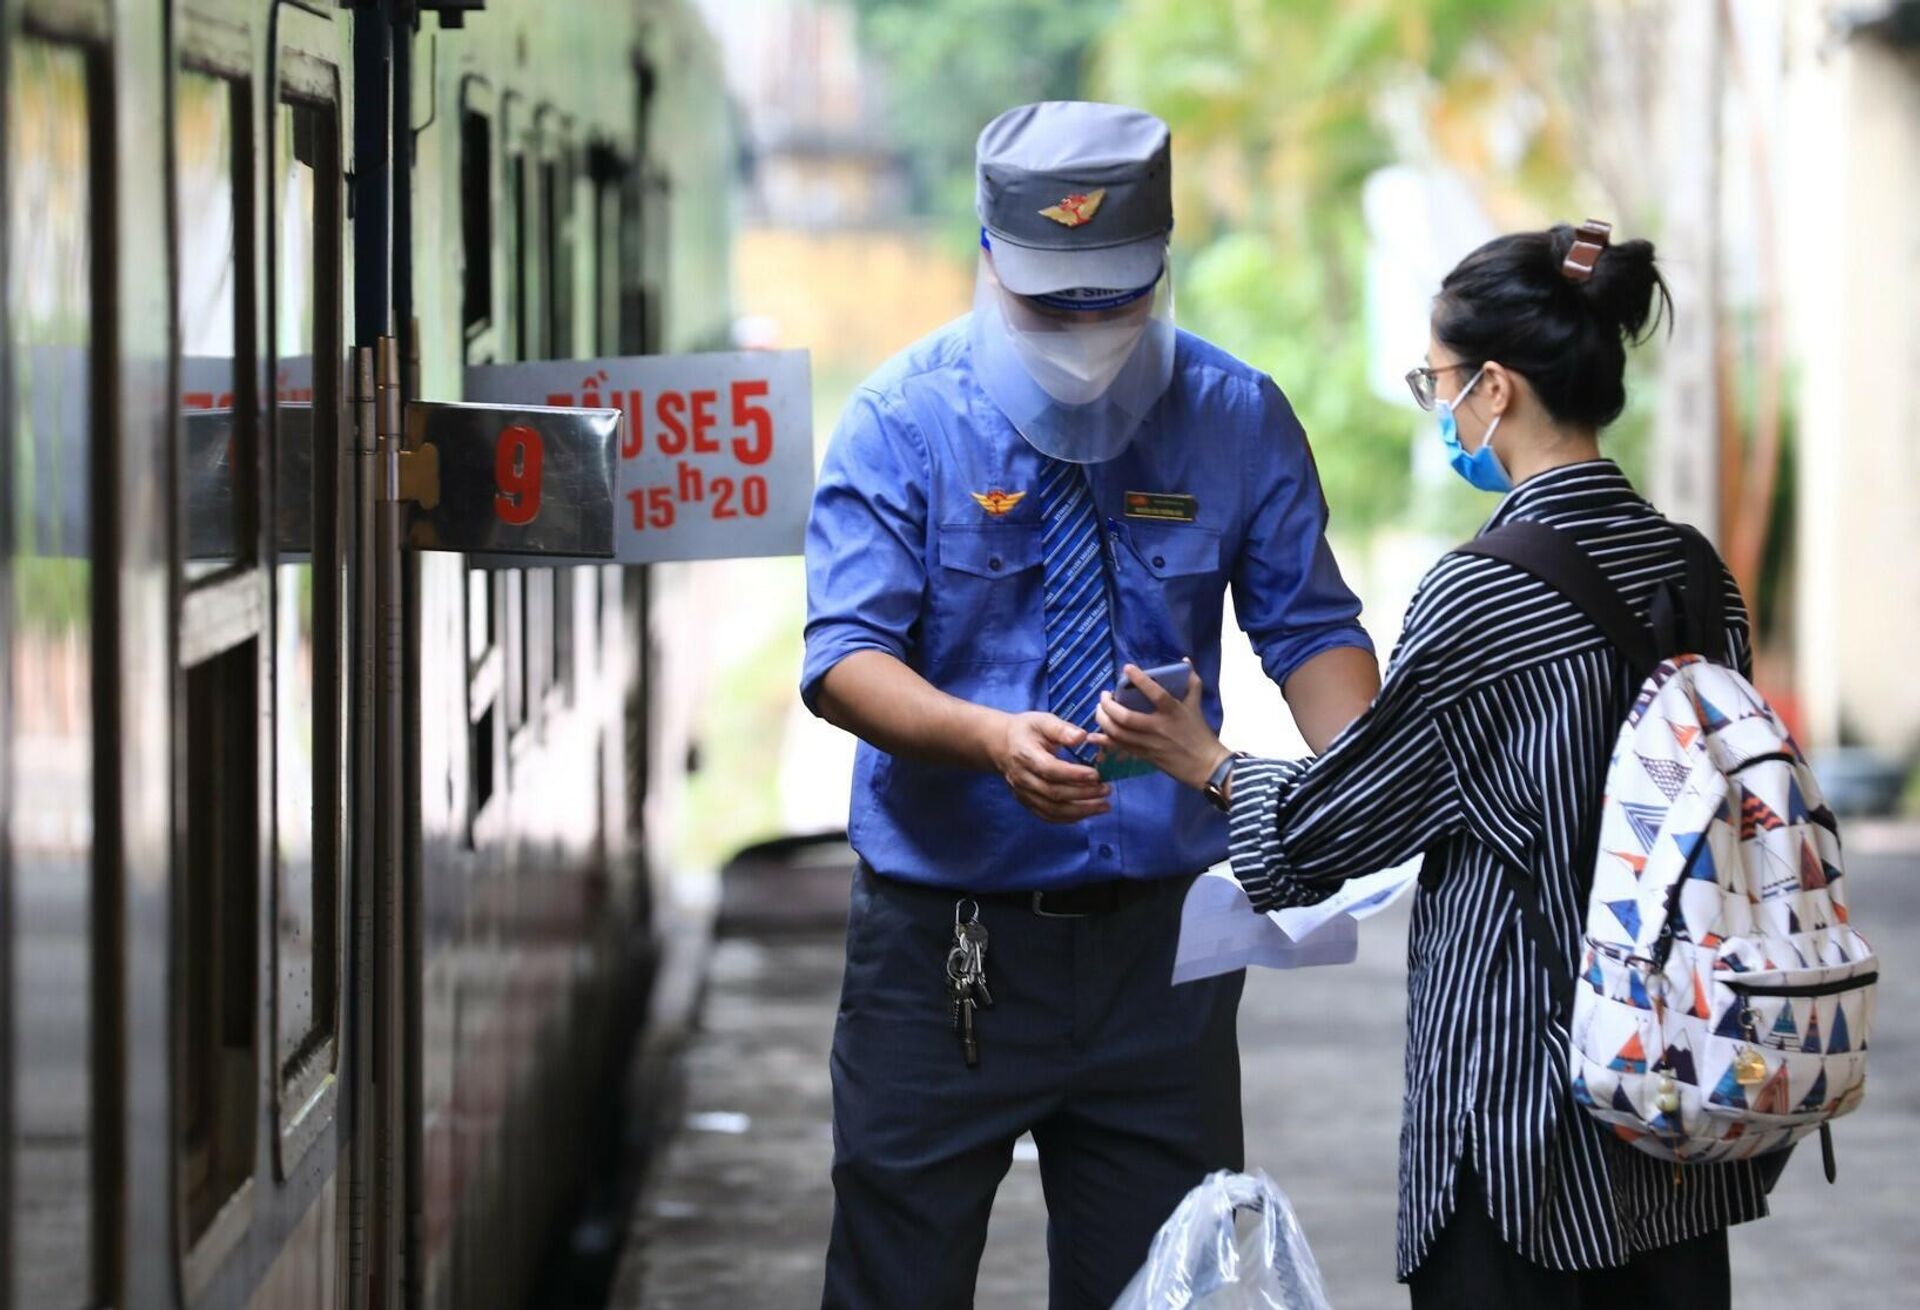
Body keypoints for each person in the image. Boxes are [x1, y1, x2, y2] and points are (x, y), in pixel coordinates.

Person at [1094, 223, 1775, 1309]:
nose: (1441, 406)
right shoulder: (1695, 570)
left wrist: (1205, 759)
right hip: (1679, 1081)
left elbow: (1336, 829)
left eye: (1439, 381)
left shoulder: (1482, 591)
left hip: (1523, 1118)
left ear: (1497, 388)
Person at [800, 101, 1380, 1309]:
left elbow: (1313, 632)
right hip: (944, 950)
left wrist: (1374, 781)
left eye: (1110, 301)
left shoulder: (1235, 418)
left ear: (1160, 266)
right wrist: (986, 737)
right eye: (1048, 303)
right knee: (892, 1279)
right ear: (989, 261)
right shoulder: (903, 421)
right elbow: (846, 655)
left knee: (1165, 1285)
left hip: (1159, 957)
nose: (1081, 331)